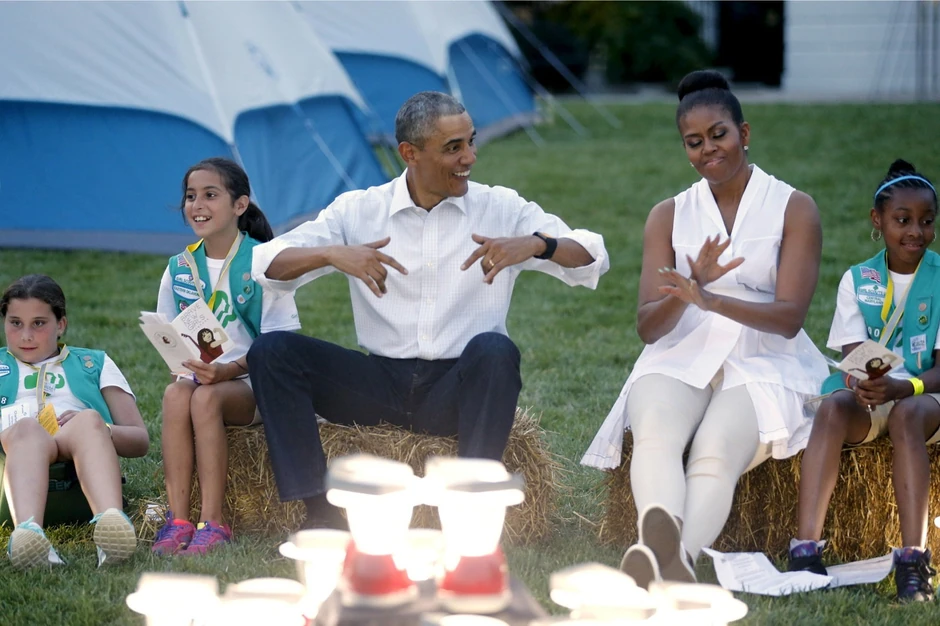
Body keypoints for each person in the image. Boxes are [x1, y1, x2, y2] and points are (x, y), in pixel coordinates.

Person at [248, 91, 609, 528]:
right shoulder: (360, 210)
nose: (470, 157)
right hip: (377, 386)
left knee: (496, 350)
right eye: (453, 147)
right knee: (272, 352)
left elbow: (592, 257)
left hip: (456, 391)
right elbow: (266, 265)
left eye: (471, 142)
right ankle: (321, 512)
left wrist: (538, 244)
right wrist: (331, 254)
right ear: (410, 153)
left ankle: (471, 508)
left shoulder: (501, 207)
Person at [581, 70, 829, 588]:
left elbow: (789, 319)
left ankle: (676, 561)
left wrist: (711, 297)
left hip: (764, 354)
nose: (708, 149)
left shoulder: (794, 207)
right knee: (654, 436)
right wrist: (691, 285)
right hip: (681, 345)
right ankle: (663, 556)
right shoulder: (667, 215)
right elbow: (648, 327)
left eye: (719, 134)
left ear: (745, 132)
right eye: (693, 142)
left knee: (715, 452)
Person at [789, 160, 940, 602]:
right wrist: (863, 382)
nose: (915, 232)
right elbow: (854, 354)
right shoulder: (858, 278)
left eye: (927, 221)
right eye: (903, 220)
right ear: (878, 221)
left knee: (907, 416)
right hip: (876, 395)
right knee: (834, 406)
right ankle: (805, 551)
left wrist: (902, 388)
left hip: (924, 396)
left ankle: (913, 561)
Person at [151, 158, 301, 556]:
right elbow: (169, 335)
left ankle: (214, 522)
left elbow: (280, 346)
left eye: (210, 195)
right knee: (176, 395)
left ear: (239, 205)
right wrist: (185, 366)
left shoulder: (264, 261)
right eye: (190, 196)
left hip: (254, 382)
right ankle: (178, 520)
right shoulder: (179, 268)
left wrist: (227, 371)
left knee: (204, 397)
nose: (197, 204)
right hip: (203, 378)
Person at [0, 274, 149, 568]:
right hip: (16, 466)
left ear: (61, 324)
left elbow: (139, 439)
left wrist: (103, 429)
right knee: (27, 429)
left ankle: (111, 526)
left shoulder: (94, 362)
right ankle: (29, 535)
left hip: (78, 458)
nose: (26, 335)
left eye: (39, 323)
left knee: (89, 420)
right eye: (15, 323)